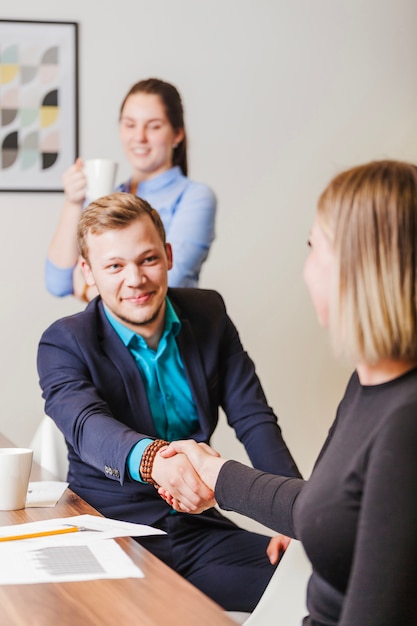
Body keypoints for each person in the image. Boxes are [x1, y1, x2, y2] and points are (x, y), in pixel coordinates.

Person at [159, 160, 417, 625]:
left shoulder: (407, 422)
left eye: (314, 248)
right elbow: (327, 504)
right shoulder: (368, 383)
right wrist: (217, 475)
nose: (306, 269)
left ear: (361, 269)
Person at [37, 192, 301, 612]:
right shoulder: (64, 341)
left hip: (198, 531)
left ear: (169, 254)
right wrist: (155, 460)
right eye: (114, 266)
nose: (135, 279)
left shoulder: (209, 312)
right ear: (87, 271)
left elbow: (253, 418)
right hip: (110, 531)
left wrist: (292, 512)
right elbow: (87, 425)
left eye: (147, 259)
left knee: (315, 586)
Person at [45, 78, 216, 302]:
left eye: (153, 126)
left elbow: (163, 284)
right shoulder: (105, 199)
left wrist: (86, 290)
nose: (139, 137)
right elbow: (58, 283)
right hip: (108, 336)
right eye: (129, 124)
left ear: (177, 134)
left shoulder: (195, 197)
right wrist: (74, 203)